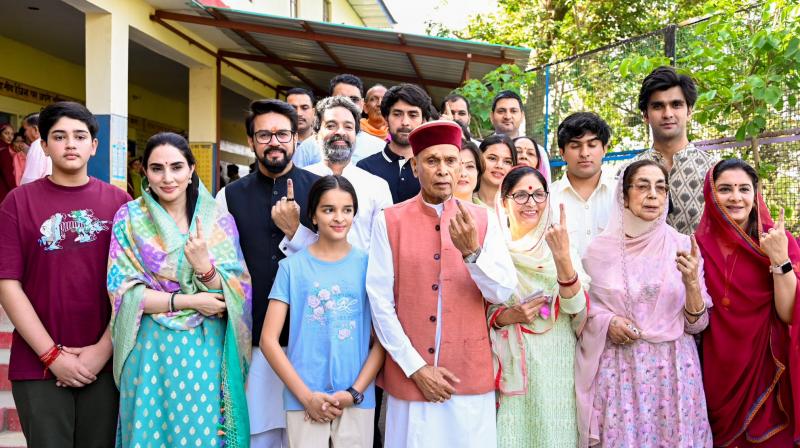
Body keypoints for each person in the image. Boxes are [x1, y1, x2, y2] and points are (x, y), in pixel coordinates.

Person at [366, 120, 516, 447]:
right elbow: (379, 302)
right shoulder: (389, 220)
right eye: (432, 161)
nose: (443, 170)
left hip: (468, 376)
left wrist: (472, 254)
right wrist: (415, 367)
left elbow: (503, 291)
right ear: (415, 166)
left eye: (451, 161)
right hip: (410, 378)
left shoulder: (483, 218)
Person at [108, 132, 251, 447]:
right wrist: (191, 300)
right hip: (148, 351)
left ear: (191, 170)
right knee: (148, 433)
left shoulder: (218, 221)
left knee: (204, 435)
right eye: (157, 168)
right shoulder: (129, 218)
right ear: (145, 171)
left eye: (176, 167)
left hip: (205, 351)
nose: (167, 177)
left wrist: (204, 266)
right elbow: (124, 293)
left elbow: (235, 293)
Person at [0, 101, 130, 447]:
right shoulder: (17, 203)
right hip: (38, 365)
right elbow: (8, 284)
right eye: (59, 136)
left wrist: (104, 348)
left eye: (79, 135)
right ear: (43, 146)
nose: (70, 144)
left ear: (94, 145)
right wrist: (52, 355)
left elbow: (131, 287)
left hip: (108, 363)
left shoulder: (120, 204)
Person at [575, 159, 713, 447]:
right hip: (620, 371)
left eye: (660, 188)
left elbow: (697, 324)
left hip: (674, 371)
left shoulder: (683, 246)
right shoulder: (598, 251)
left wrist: (691, 284)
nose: (653, 194)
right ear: (623, 195)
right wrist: (608, 322)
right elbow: (583, 310)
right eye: (642, 186)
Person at [216, 99, 320, 448]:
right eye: (264, 134)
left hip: (310, 338)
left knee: (307, 435)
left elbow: (336, 259)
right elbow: (222, 266)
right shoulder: (228, 197)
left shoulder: (322, 189)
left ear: (295, 139)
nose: (274, 141)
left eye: (282, 134)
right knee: (257, 434)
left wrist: (296, 233)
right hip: (253, 339)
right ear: (251, 141)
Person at [262, 175, 385, 447]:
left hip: (356, 399)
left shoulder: (371, 267)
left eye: (347, 210)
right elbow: (268, 341)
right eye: (328, 209)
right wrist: (306, 398)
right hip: (303, 399)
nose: (338, 218)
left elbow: (381, 342)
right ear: (313, 216)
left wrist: (354, 393)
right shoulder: (291, 268)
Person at [696, 159, 800, 447]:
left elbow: (790, 312)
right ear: (710, 195)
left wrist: (780, 259)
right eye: (725, 189)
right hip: (717, 370)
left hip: (768, 368)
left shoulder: (777, 241)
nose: (736, 197)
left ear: (755, 195)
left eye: (744, 189)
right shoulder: (696, 246)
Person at [488, 165, 589, 447]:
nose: (531, 203)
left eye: (538, 195)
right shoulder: (493, 251)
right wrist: (507, 316)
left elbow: (579, 313)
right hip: (512, 366)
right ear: (504, 201)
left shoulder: (562, 246)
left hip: (558, 363)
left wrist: (563, 260)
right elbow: (478, 312)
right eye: (520, 195)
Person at [289, 96, 392, 252]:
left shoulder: (377, 187)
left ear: (356, 136)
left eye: (348, 127)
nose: (340, 132)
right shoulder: (297, 182)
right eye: (331, 125)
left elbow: (383, 247)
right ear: (316, 135)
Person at [632, 66, 718, 235]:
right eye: (658, 106)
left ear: (689, 111)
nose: (668, 113)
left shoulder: (714, 171)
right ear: (645, 115)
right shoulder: (629, 171)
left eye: (676, 104)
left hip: (702, 261)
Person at [549, 112, 616, 256]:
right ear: (562, 152)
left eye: (592, 145)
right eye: (575, 146)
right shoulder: (547, 198)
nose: (584, 153)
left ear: (604, 149)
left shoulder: (621, 194)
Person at [357, 83, 431, 204]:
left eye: (413, 115)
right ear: (386, 118)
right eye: (397, 114)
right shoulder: (365, 168)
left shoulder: (432, 169)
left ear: (423, 121)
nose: (405, 122)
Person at [331, 74, 386, 163]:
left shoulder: (381, 148)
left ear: (361, 104)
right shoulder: (311, 146)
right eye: (340, 99)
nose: (348, 104)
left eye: (354, 99)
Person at [474, 134, 517, 209]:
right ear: (478, 159)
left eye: (507, 162)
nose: (499, 165)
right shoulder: (463, 201)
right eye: (492, 158)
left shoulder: (517, 207)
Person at [287, 87, 320, 168]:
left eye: (304, 108)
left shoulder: (324, 143)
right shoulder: (276, 142)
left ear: (314, 112)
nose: (298, 113)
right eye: (293, 108)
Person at [20, 113, 52, 185]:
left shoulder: (37, 144)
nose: (25, 134)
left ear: (35, 129)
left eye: (25, 129)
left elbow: (30, 179)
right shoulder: (52, 142)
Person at [0, 124, 16, 203]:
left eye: (12, 134)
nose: (10, 137)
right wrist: (15, 190)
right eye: (6, 133)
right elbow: (8, 174)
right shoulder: (3, 151)